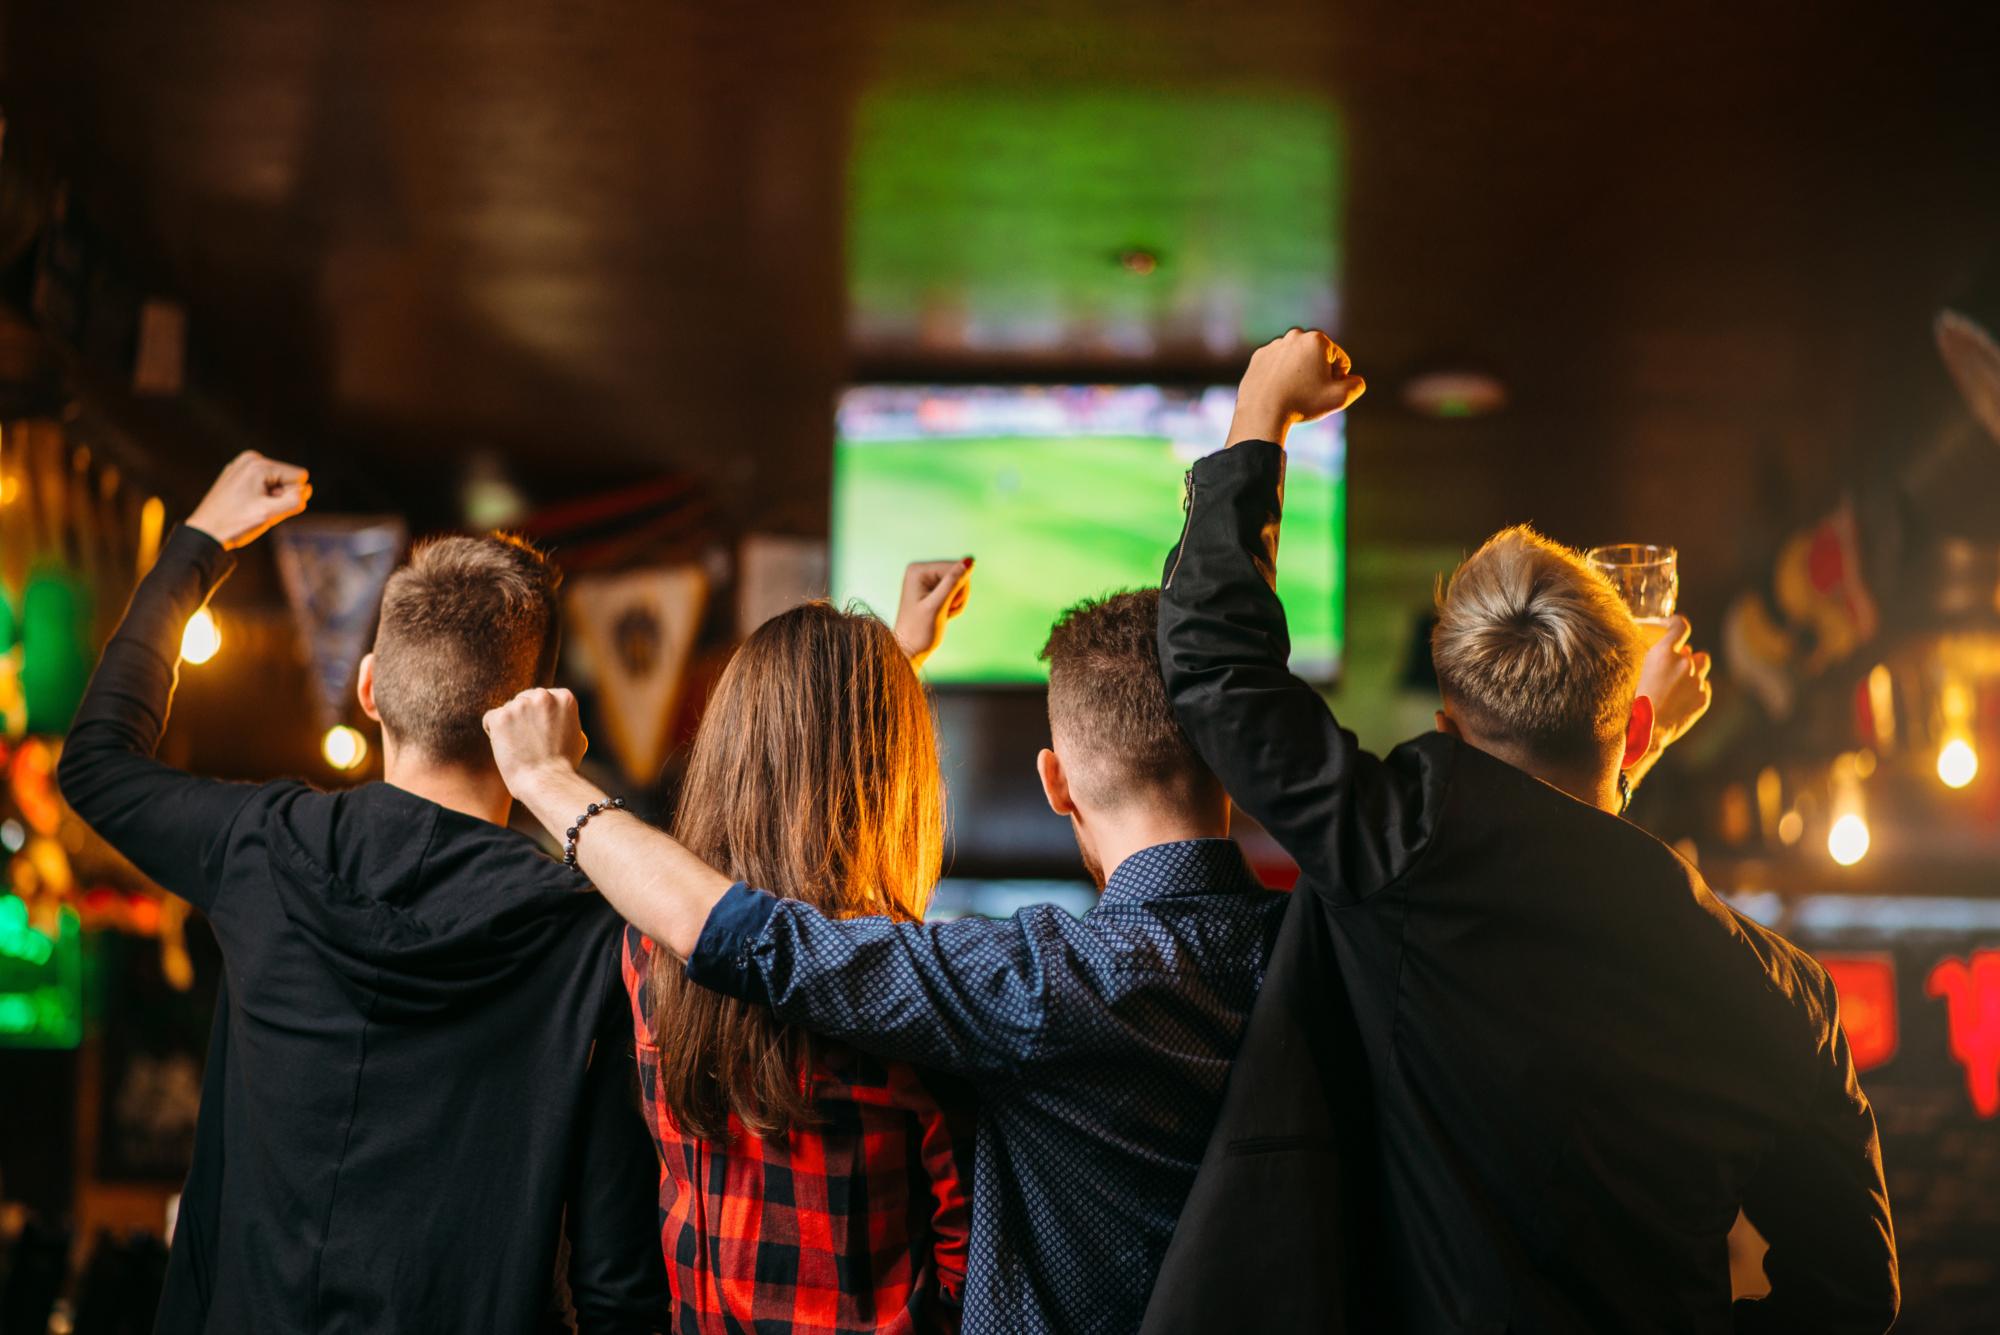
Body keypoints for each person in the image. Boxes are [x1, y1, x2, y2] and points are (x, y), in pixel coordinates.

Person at [1140, 330, 1898, 1334]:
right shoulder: (1783, 999)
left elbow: (1215, 671)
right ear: (1630, 725)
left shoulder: (1388, 849)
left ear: (1448, 725)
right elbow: (1850, 1297)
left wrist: (1259, 416)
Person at [481, 587, 1290, 1335]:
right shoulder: (1292, 946)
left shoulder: (647, 955)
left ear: (1057, 780)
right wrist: (876, 692)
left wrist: (547, 778)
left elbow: (735, 924)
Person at [58, 453, 665, 1335]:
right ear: (537, 714)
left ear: (370, 687)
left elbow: (98, 761)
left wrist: (201, 543)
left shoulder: (260, 846)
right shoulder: (590, 938)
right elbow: (618, 1286)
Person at [620, 593, 972, 1333]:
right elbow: (967, 1247)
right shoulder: (903, 977)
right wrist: (877, 690)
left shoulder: (648, 947)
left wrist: (883, 666)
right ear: (893, 774)